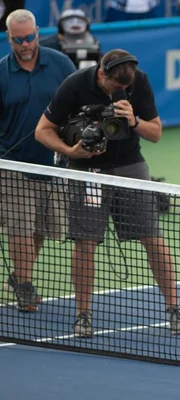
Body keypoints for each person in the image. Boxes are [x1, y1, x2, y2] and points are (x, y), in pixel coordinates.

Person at [34, 49, 180, 338]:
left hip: (130, 164)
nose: (121, 91)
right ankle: (83, 315)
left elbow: (155, 133)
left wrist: (133, 121)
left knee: (153, 238)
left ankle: (174, 307)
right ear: (101, 74)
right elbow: (42, 130)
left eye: (125, 89)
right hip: (87, 170)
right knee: (85, 243)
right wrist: (70, 151)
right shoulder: (75, 84)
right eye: (115, 87)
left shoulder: (137, 81)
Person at [0, 9, 76, 311]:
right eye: (19, 40)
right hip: (14, 163)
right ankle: (26, 288)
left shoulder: (60, 64)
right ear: (9, 38)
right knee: (20, 226)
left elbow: (80, 100)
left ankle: (18, 275)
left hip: (54, 161)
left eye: (30, 37)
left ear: (37, 31)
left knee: (42, 230)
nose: (26, 44)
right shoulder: (2, 73)